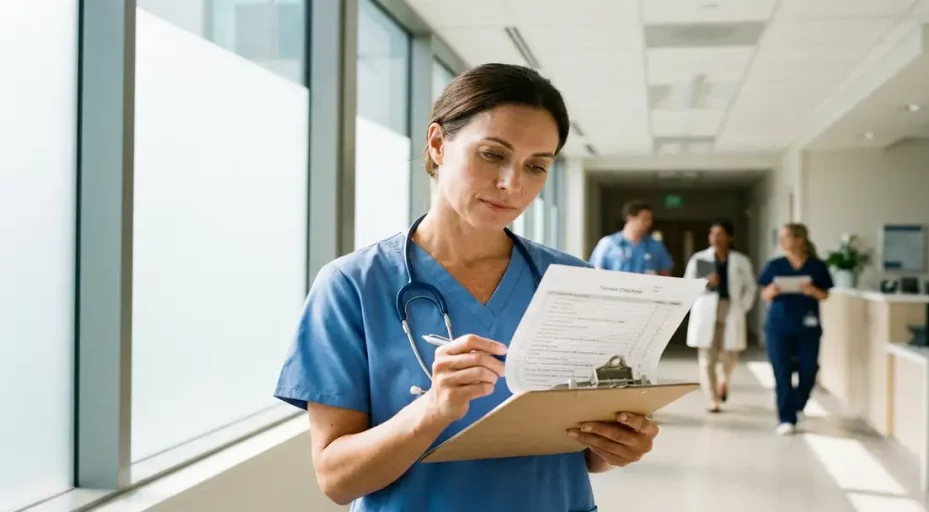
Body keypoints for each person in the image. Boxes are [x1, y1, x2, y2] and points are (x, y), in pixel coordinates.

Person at [273, 63, 660, 512]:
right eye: (493, 154)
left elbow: (589, 453)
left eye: (536, 166)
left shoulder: (573, 281)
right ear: (438, 144)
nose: (511, 185)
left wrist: (619, 444)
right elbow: (337, 480)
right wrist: (434, 408)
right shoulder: (352, 286)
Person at [757, 223, 833, 435]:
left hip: (808, 327)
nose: (782, 242)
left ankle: (797, 403)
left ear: (800, 240)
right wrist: (772, 290)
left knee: (809, 370)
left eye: (787, 237)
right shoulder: (775, 265)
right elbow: (764, 295)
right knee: (782, 372)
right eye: (781, 237)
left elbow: (825, 295)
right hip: (778, 327)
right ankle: (786, 418)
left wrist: (812, 290)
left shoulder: (816, 266)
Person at [682, 220, 756, 413]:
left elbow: (750, 287)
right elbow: (687, 285)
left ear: (729, 237)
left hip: (731, 308)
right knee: (707, 356)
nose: (715, 237)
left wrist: (743, 307)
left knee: (730, 355)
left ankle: (724, 380)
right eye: (712, 233)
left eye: (720, 233)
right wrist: (705, 282)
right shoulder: (700, 259)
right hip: (707, 308)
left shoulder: (740, 260)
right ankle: (712, 398)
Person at [588, 201, 674, 275]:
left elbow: (665, 274)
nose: (648, 224)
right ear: (630, 218)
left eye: (650, 220)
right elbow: (596, 271)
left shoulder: (656, 246)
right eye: (644, 219)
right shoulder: (608, 244)